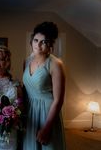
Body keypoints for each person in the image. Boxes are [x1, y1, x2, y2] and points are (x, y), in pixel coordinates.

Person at [22, 21, 66, 150]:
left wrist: (47, 128)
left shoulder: (56, 64)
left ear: (50, 45)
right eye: (36, 40)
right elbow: (25, 88)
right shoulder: (27, 61)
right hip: (29, 110)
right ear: (31, 41)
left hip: (46, 112)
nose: (38, 45)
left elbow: (58, 100)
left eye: (44, 42)